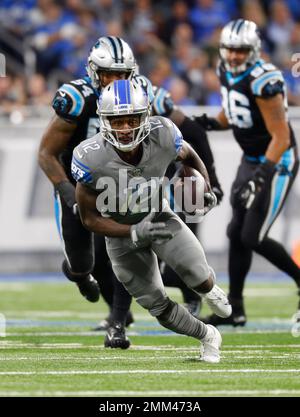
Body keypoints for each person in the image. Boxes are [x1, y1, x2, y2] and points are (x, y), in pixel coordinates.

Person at [71, 78, 232, 363]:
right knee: (158, 307)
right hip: (120, 236)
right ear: (104, 120)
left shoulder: (164, 133)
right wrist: (133, 231)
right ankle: (207, 335)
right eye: (116, 121)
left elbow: (190, 155)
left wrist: (204, 187)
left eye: (131, 119)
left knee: (196, 271)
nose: (124, 128)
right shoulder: (90, 157)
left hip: (160, 216)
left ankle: (210, 290)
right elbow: (88, 219)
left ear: (145, 115)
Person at [195, 19, 300, 326]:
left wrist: (262, 174)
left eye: (241, 50)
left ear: (253, 51)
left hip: (277, 161)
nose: (235, 55)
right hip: (251, 158)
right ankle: (235, 309)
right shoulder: (225, 69)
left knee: (253, 236)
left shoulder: (263, 80)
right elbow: (235, 110)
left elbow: (280, 136)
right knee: (234, 233)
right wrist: (214, 123)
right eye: (230, 49)